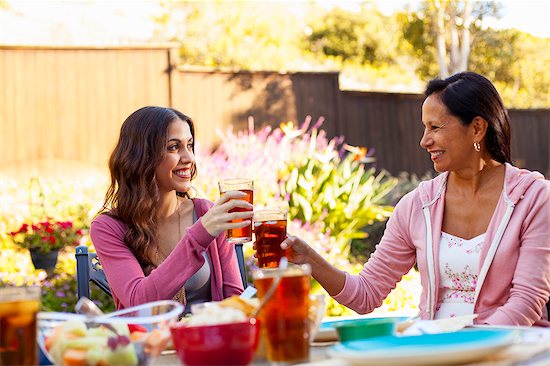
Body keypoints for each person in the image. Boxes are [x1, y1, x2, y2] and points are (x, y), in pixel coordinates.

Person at [280, 72, 550, 326]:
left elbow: (527, 302)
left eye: (435, 127)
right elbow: (366, 294)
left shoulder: (534, 198)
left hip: (508, 348)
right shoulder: (417, 206)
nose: (424, 141)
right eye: (424, 128)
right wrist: (308, 259)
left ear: (477, 128)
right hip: (433, 349)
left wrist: (467, 345)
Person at [90, 106, 253, 312]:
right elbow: (138, 301)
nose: (189, 158)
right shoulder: (109, 228)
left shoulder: (206, 213)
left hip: (209, 339)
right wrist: (200, 235)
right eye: (174, 147)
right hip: (150, 343)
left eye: (190, 145)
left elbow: (235, 302)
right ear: (142, 156)